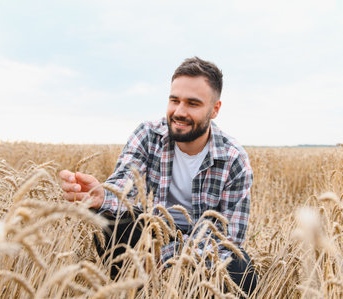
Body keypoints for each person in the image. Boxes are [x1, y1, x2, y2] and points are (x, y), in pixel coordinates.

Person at [59, 57, 257, 296]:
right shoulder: (148, 134)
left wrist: (168, 257)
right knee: (115, 224)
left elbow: (230, 239)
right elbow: (125, 183)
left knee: (240, 270)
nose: (179, 112)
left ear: (214, 110)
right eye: (175, 100)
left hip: (201, 247)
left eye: (193, 104)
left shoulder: (234, 159)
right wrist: (102, 195)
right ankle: (133, 289)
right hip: (149, 234)